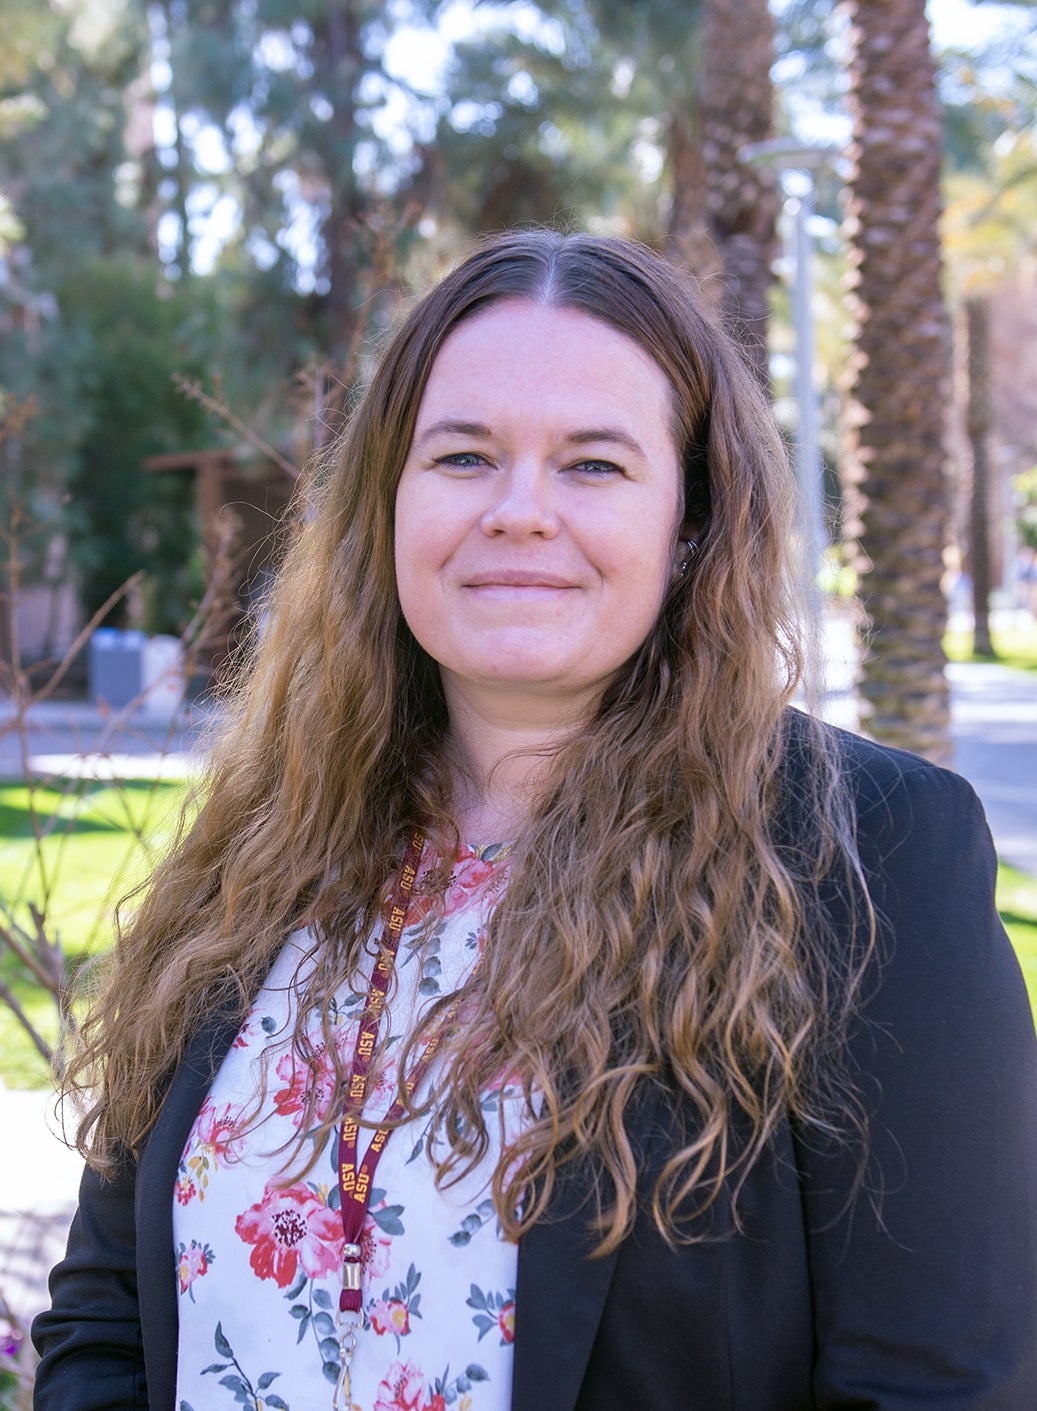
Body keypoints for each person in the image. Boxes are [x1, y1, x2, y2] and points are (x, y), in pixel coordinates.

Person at [34, 230, 1037, 1411]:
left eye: (593, 465)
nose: (517, 511)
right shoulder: (260, 848)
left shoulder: (864, 855)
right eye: (461, 456)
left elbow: (936, 1385)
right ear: (386, 506)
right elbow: (105, 1315)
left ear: (692, 522)